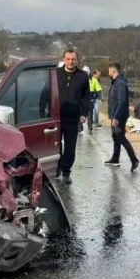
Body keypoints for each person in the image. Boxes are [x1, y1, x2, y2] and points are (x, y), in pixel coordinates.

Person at [56, 49, 90, 184]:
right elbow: (47, 92)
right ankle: (57, 166)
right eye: (68, 59)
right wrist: (43, 110)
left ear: (77, 60)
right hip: (57, 117)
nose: (70, 61)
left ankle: (66, 172)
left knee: (70, 147)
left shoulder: (82, 76)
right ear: (64, 59)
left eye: (73, 59)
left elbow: (86, 97)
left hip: (73, 118)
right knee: (56, 145)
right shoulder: (56, 74)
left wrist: (84, 113)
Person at [104, 63, 139, 172]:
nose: (108, 72)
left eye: (109, 70)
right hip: (115, 115)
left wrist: (116, 117)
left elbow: (122, 101)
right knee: (115, 137)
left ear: (113, 71)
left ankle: (134, 160)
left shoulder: (120, 84)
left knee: (121, 137)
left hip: (119, 116)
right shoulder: (116, 82)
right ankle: (115, 158)